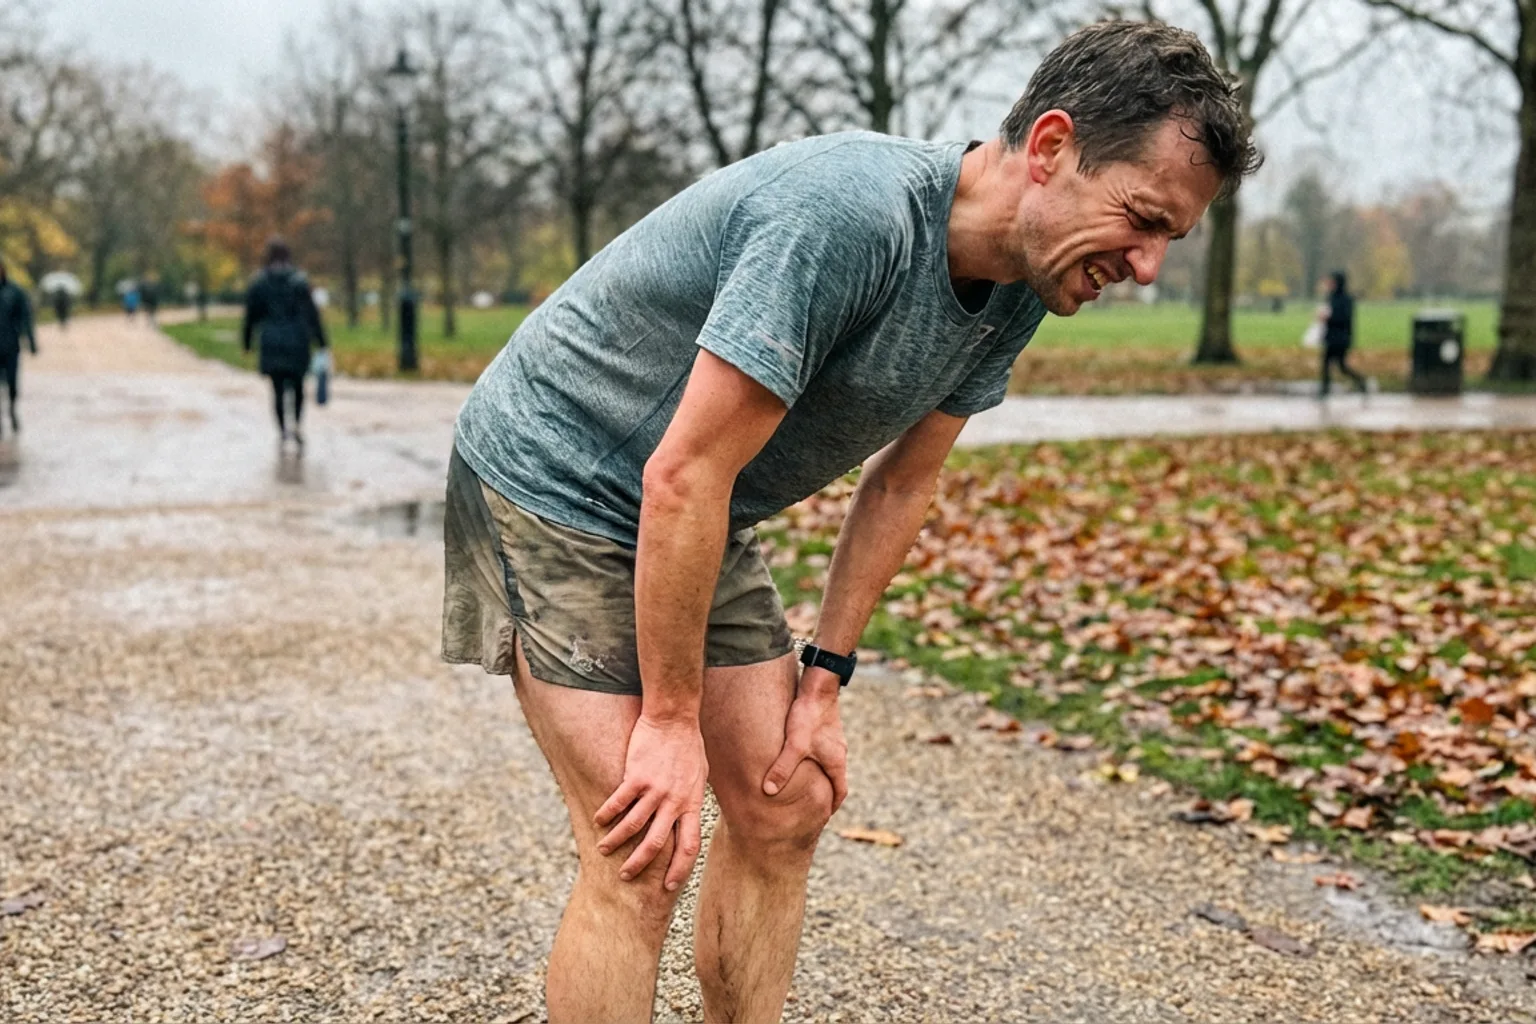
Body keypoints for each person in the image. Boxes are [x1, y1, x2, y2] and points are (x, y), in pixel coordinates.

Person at [442, 19, 1260, 1023]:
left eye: (1169, 239)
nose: (1146, 268)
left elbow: (900, 483)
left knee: (787, 805)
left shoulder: (1025, 285)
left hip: (694, 499)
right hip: (549, 479)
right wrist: (667, 718)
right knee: (644, 846)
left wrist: (824, 677)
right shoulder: (846, 216)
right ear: (1051, 148)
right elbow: (682, 473)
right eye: (1140, 219)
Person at [242, 238, 327, 447]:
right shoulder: (300, 282)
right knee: (298, 386)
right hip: (298, 340)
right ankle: (297, 424)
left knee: (278, 389)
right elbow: (312, 314)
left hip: (272, 341)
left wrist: (247, 342)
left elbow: (251, 316)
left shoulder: (260, 283)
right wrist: (322, 341)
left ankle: (282, 431)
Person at [0, 260, 38, 437]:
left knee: (12, 384)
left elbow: (25, 317)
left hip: (10, 346)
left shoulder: (15, 292)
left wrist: (30, 341)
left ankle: (12, 409)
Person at [1319, 270, 1367, 396]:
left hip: (1341, 337)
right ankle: (1324, 390)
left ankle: (1361, 380)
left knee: (1340, 365)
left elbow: (1345, 318)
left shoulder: (1346, 299)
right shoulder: (1331, 297)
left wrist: (1329, 318)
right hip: (1331, 336)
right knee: (1327, 363)